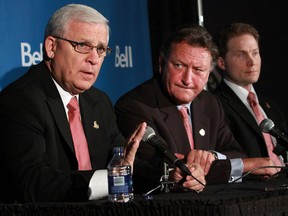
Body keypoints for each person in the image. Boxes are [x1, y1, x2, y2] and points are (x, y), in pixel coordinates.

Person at [0, 4, 206, 203]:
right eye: (82, 46)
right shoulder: (21, 100)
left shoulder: (97, 101)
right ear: (51, 47)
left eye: (100, 49)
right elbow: (33, 182)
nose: (94, 59)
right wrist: (112, 179)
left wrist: (171, 176)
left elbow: (125, 163)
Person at [115, 25, 282, 193]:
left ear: (209, 73)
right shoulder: (135, 106)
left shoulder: (210, 103)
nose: (187, 79)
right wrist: (245, 166)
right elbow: (160, 170)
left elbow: (235, 152)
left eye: (198, 70)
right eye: (179, 66)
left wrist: (212, 156)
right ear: (161, 63)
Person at [213, 22, 288, 167]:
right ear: (221, 62)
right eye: (241, 55)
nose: (252, 62)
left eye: (255, 53)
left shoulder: (269, 104)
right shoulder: (216, 105)